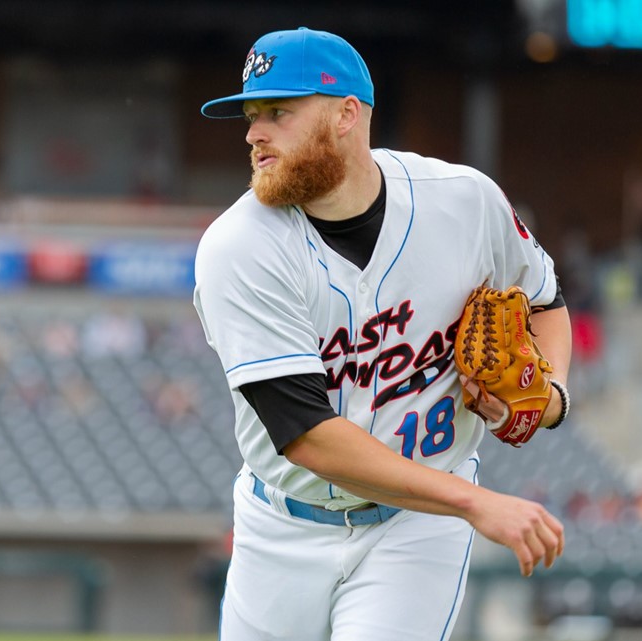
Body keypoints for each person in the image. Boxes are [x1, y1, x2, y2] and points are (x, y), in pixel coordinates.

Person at [193, 27, 573, 641]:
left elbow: (546, 302)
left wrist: (549, 398)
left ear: (347, 114)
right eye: (250, 115)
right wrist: (474, 501)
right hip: (281, 525)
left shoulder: (463, 201)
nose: (253, 133)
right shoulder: (240, 247)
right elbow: (308, 437)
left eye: (278, 113)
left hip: (415, 528)